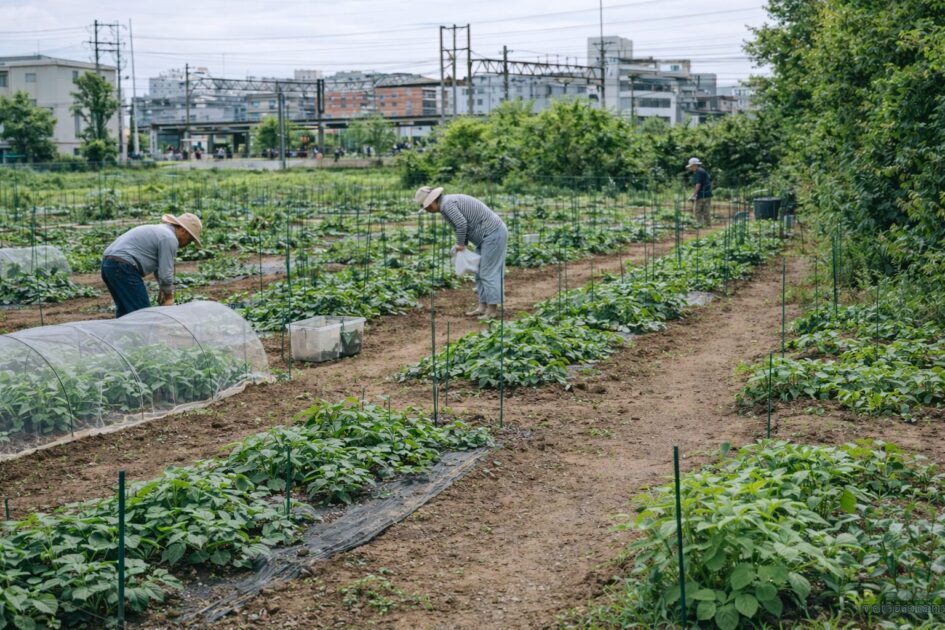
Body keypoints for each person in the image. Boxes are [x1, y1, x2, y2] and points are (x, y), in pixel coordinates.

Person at [416, 186, 508, 320]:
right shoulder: (446, 204)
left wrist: (460, 244)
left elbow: (461, 224)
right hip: (486, 237)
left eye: (427, 207)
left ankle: (492, 311)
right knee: (479, 272)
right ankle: (482, 307)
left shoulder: (447, 205)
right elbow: (460, 224)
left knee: (488, 272)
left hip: (493, 234)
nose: (428, 210)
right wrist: (462, 244)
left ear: (432, 202)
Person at [100, 213, 202, 318]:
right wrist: (169, 298)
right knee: (143, 314)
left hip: (108, 265)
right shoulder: (170, 238)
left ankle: (123, 329)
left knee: (125, 312)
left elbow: (159, 269)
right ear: (183, 230)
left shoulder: (161, 231)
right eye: (190, 239)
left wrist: (163, 289)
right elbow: (165, 275)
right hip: (123, 267)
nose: (188, 244)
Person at [687, 157, 713, 226]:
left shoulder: (698, 172)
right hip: (707, 194)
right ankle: (707, 225)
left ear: (695, 165)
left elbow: (698, 185)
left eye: (691, 166)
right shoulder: (702, 171)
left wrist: (693, 195)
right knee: (706, 211)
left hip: (702, 195)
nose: (690, 168)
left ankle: (701, 225)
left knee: (697, 211)